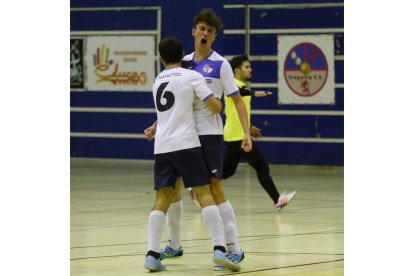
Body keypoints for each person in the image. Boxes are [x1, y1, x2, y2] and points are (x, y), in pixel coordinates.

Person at [144, 8, 251, 271]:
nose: (205, 33)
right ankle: (174, 245)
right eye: (202, 28)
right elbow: (178, 101)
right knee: (174, 190)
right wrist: (158, 124)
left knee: (214, 189)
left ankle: (233, 248)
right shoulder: (185, 62)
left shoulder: (221, 64)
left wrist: (246, 133)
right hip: (184, 135)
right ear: (194, 31)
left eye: (211, 31)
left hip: (209, 134)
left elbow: (236, 101)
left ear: (214, 37)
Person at [223, 55, 296, 209]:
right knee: (262, 167)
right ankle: (277, 200)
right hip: (239, 137)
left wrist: (249, 126)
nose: (251, 70)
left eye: (250, 67)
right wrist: (256, 93)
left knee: (227, 171)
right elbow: (239, 92)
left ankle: (199, 186)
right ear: (237, 71)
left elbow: (237, 113)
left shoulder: (240, 86)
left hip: (236, 135)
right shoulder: (234, 85)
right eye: (247, 67)